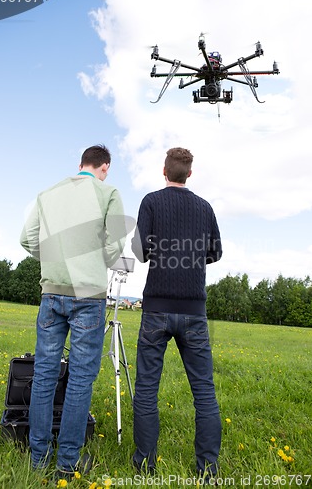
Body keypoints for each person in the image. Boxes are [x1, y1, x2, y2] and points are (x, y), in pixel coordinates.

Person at [20, 144, 126, 478]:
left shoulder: (47, 193)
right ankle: (67, 464)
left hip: (51, 293)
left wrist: (55, 258)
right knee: (80, 380)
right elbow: (118, 241)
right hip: (88, 295)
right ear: (104, 166)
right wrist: (95, 262)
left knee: (44, 376)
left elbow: (27, 239)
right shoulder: (109, 192)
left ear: (82, 163)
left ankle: (37, 461)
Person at [131, 147, 222, 481]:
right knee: (204, 393)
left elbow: (140, 252)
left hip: (156, 309)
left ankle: (144, 465)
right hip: (194, 311)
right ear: (189, 173)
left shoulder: (151, 201)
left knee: (146, 390)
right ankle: (208, 471)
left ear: (164, 171)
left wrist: (162, 252)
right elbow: (216, 251)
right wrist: (192, 258)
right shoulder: (205, 207)